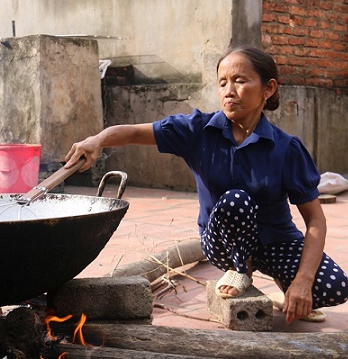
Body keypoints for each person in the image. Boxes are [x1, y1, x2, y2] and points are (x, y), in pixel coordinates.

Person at [64, 45, 348, 324]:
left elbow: (315, 221)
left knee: (334, 287)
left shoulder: (287, 148)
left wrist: (302, 280)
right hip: (223, 244)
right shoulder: (198, 130)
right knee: (237, 199)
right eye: (222, 82)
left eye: (239, 81)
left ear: (268, 88)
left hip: (275, 241)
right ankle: (240, 270)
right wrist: (96, 141)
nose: (228, 90)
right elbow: (132, 133)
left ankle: (282, 285)